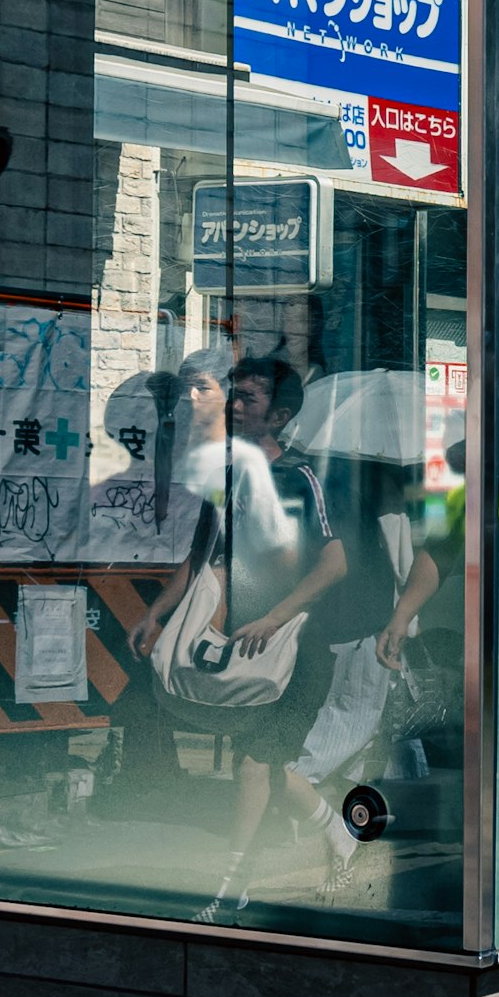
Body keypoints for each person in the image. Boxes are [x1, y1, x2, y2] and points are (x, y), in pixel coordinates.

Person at [131, 356, 348, 918]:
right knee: (269, 766)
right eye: (233, 395)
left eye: (247, 399)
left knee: (253, 765)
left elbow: (333, 567)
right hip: (242, 646)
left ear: (277, 415)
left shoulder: (297, 478)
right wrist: (157, 612)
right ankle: (340, 833)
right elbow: (202, 556)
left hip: (298, 649)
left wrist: (274, 617)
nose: (233, 406)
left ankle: (233, 887)